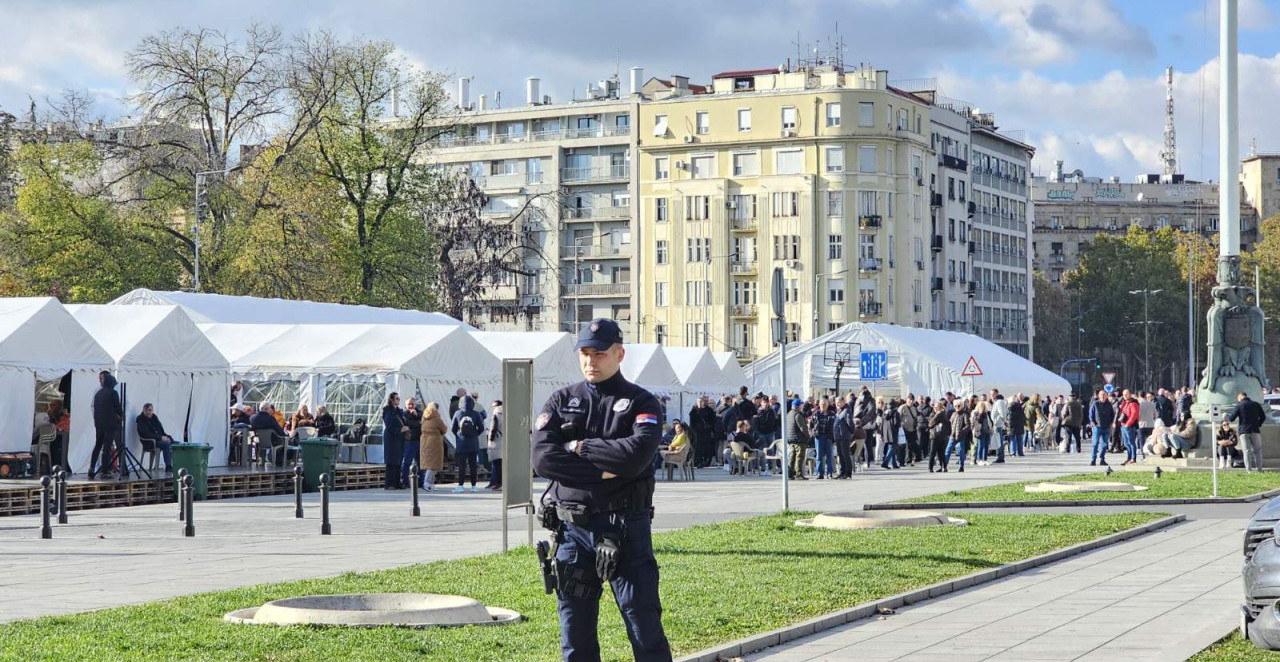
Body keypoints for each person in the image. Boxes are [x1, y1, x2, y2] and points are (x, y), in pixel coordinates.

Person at [531, 318, 672, 662]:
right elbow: (542, 459)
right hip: (572, 532)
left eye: (600, 353)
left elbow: (636, 456)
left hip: (624, 530)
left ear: (619, 353)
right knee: (575, 633)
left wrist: (578, 447)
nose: (591, 360)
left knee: (644, 627)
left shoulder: (642, 403)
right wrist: (607, 470)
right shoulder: (562, 400)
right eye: (585, 353)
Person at [90, 371, 125, 480]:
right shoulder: (113, 393)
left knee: (98, 445)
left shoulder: (98, 393)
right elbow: (118, 408)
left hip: (99, 424)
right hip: (110, 424)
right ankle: (104, 471)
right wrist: (121, 416)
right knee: (106, 448)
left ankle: (91, 468)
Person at [451, 395, 485, 492]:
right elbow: (481, 428)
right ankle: (473, 486)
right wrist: (474, 434)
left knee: (462, 465)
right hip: (473, 443)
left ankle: (461, 485)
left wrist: (459, 436)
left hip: (461, 443)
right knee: (473, 465)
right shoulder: (476, 414)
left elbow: (453, 428)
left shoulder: (458, 413)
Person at [1229, 391, 1269, 471]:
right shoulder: (1256, 404)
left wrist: (1227, 417)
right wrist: (1258, 424)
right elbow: (1263, 417)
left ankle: (1248, 470)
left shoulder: (1239, 405)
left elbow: (1232, 418)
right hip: (1255, 430)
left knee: (1246, 451)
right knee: (1257, 450)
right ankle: (1260, 469)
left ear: (1240, 397)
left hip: (1244, 431)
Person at [135, 403, 175, 473]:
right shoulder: (141, 420)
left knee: (177, 444)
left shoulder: (154, 418)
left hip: (158, 440)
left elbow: (161, 432)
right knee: (166, 444)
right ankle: (168, 467)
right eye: (146, 410)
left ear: (152, 411)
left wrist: (168, 437)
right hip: (149, 442)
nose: (148, 412)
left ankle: (178, 466)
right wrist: (161, 438)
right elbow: (146, 434)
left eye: (150, 410)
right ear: (143, 411)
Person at [419, 402, 448, 491]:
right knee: (433, 465)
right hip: (435, 442)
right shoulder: (437, 419)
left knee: (429, 463)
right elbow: (444, 429)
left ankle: (430, 484)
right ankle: (427, 483)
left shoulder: (424, 417)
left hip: (425, 441)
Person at [381, 393, 407, 490]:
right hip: (391, 438)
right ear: (391, 400)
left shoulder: (399, 411)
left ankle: (397, 482)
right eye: (396, 398)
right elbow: (389, 425)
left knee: (398, 460)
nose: (398, 400)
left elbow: (404, 421)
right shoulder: (388, 411)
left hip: (399, 438)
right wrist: (399, 430)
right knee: (391, 461)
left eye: (399, 399)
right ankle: (389, 483)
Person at [1088, 390, 1115, 467]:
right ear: (1098, 396)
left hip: (1106, 427)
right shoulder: (1095, 404)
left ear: (1107, 396)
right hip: (1097, 427)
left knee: (1104, 445)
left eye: (1104, 395)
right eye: (1101, 395)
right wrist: (1093, 423)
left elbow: (1112, 414)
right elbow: (1091, 415)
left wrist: (1111, 423)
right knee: (1095, 444)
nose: (1103, 396)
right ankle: (1093, 459)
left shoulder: (1109, 405)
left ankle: (1102, 459)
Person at [811, 398, 836, 479]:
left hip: (828, 437)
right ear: (819, 405)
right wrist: (813, 433)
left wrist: (833, 436)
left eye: (825, 404)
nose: (823, 405)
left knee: (830, 456)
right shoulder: (815, 414)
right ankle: (820, 473)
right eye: (822, 404)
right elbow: (811, 425)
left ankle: (830, 473)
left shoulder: (832, 414)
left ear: (828, 404)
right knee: (819, 456)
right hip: (819, 437)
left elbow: (835, 425)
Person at [787, 400, 811, 480]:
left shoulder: (789, 414)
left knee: (792, 457)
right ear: (798, 406)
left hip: (791, 439)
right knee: (799, 457)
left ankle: (790, 473)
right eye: (801, 405)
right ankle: (799, 474)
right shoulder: (797, 415)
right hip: (799, 439)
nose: (802, 406)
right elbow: (803, 428)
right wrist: (808, 436)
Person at [927, 402, 951, 473]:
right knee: (941, 453)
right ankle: (944, 467)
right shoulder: (945, 414)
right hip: (944, 436)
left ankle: (930, 467)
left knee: (932, 452)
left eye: (935, 407)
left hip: (936, 436)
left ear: (939, 408)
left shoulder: (939, 414)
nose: (934, 408)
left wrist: (929, 421)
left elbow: (931, 424)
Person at [486, 400, 504, 490]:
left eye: (493, 406)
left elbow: (493, 428)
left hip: (496, 441)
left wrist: (491, 440)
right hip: (504, 441)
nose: (492, 408)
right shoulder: (507, 414)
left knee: (496, 464)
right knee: (500, 463)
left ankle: (499, 483)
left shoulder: (496, 415)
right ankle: (497, 482)